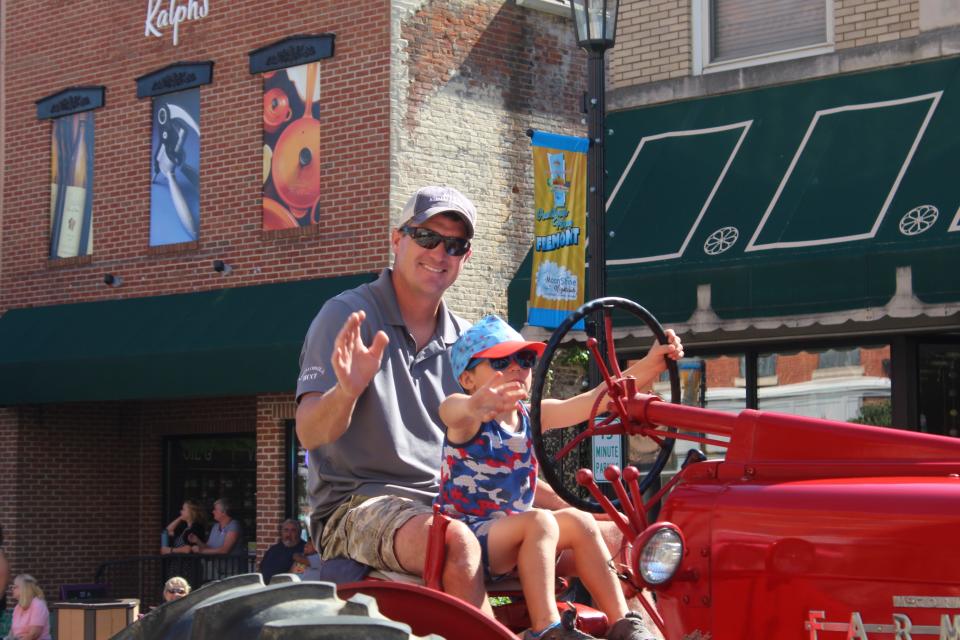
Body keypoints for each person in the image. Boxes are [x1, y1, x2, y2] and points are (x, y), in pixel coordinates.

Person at [295, 185, 493, 615]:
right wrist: (347, 390)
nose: (440, 253)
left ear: (466, 257)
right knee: (454, 540)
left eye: (455, 245)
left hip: (447, 500)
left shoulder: (467, 342)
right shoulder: (347, 316)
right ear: (397, 239)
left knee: (593, 531)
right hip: (356, 505)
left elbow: (492, 450)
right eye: (427, 237)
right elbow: (310, 431)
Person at [437, 314, 681, 640]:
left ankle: (624, 624)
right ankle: (547, 628)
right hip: (471, 537)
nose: (515, 368)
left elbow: (597, 398)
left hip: (513, 535)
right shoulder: (469, 421)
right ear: (468, 379)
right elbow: (450, 409)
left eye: (524, 359)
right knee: (541, 521)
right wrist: (473, 404)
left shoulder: (532, 416)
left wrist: (652, 363)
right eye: (500, 362)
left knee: (580, 521)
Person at [9, 575, 51, 640]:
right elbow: (12, 632)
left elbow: (34, 635)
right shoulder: (18, 607)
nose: (12, 589)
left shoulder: (38, 604)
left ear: (24, 588)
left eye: (15, 587)